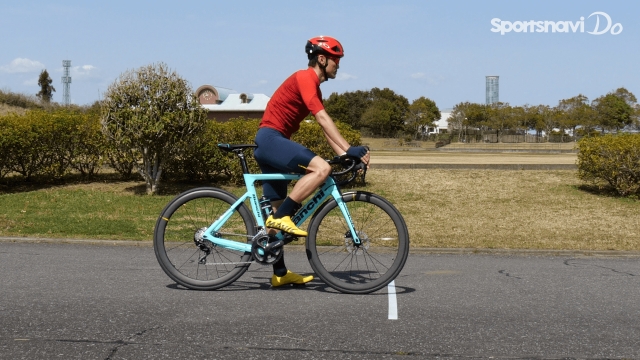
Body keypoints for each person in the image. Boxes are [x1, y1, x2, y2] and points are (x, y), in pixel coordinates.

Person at [254, 36, 370, 287]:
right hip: (271, 139)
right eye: (335, 60)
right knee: (321, 168)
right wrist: (350, 148)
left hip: (272, 142)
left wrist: (346, 155)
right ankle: (283, 216)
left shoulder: (313, 87)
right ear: (322, 58)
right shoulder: (305, 78)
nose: (338, 65)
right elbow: (322, 118)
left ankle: (280, 273)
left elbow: (326, 130)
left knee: (275, 215)